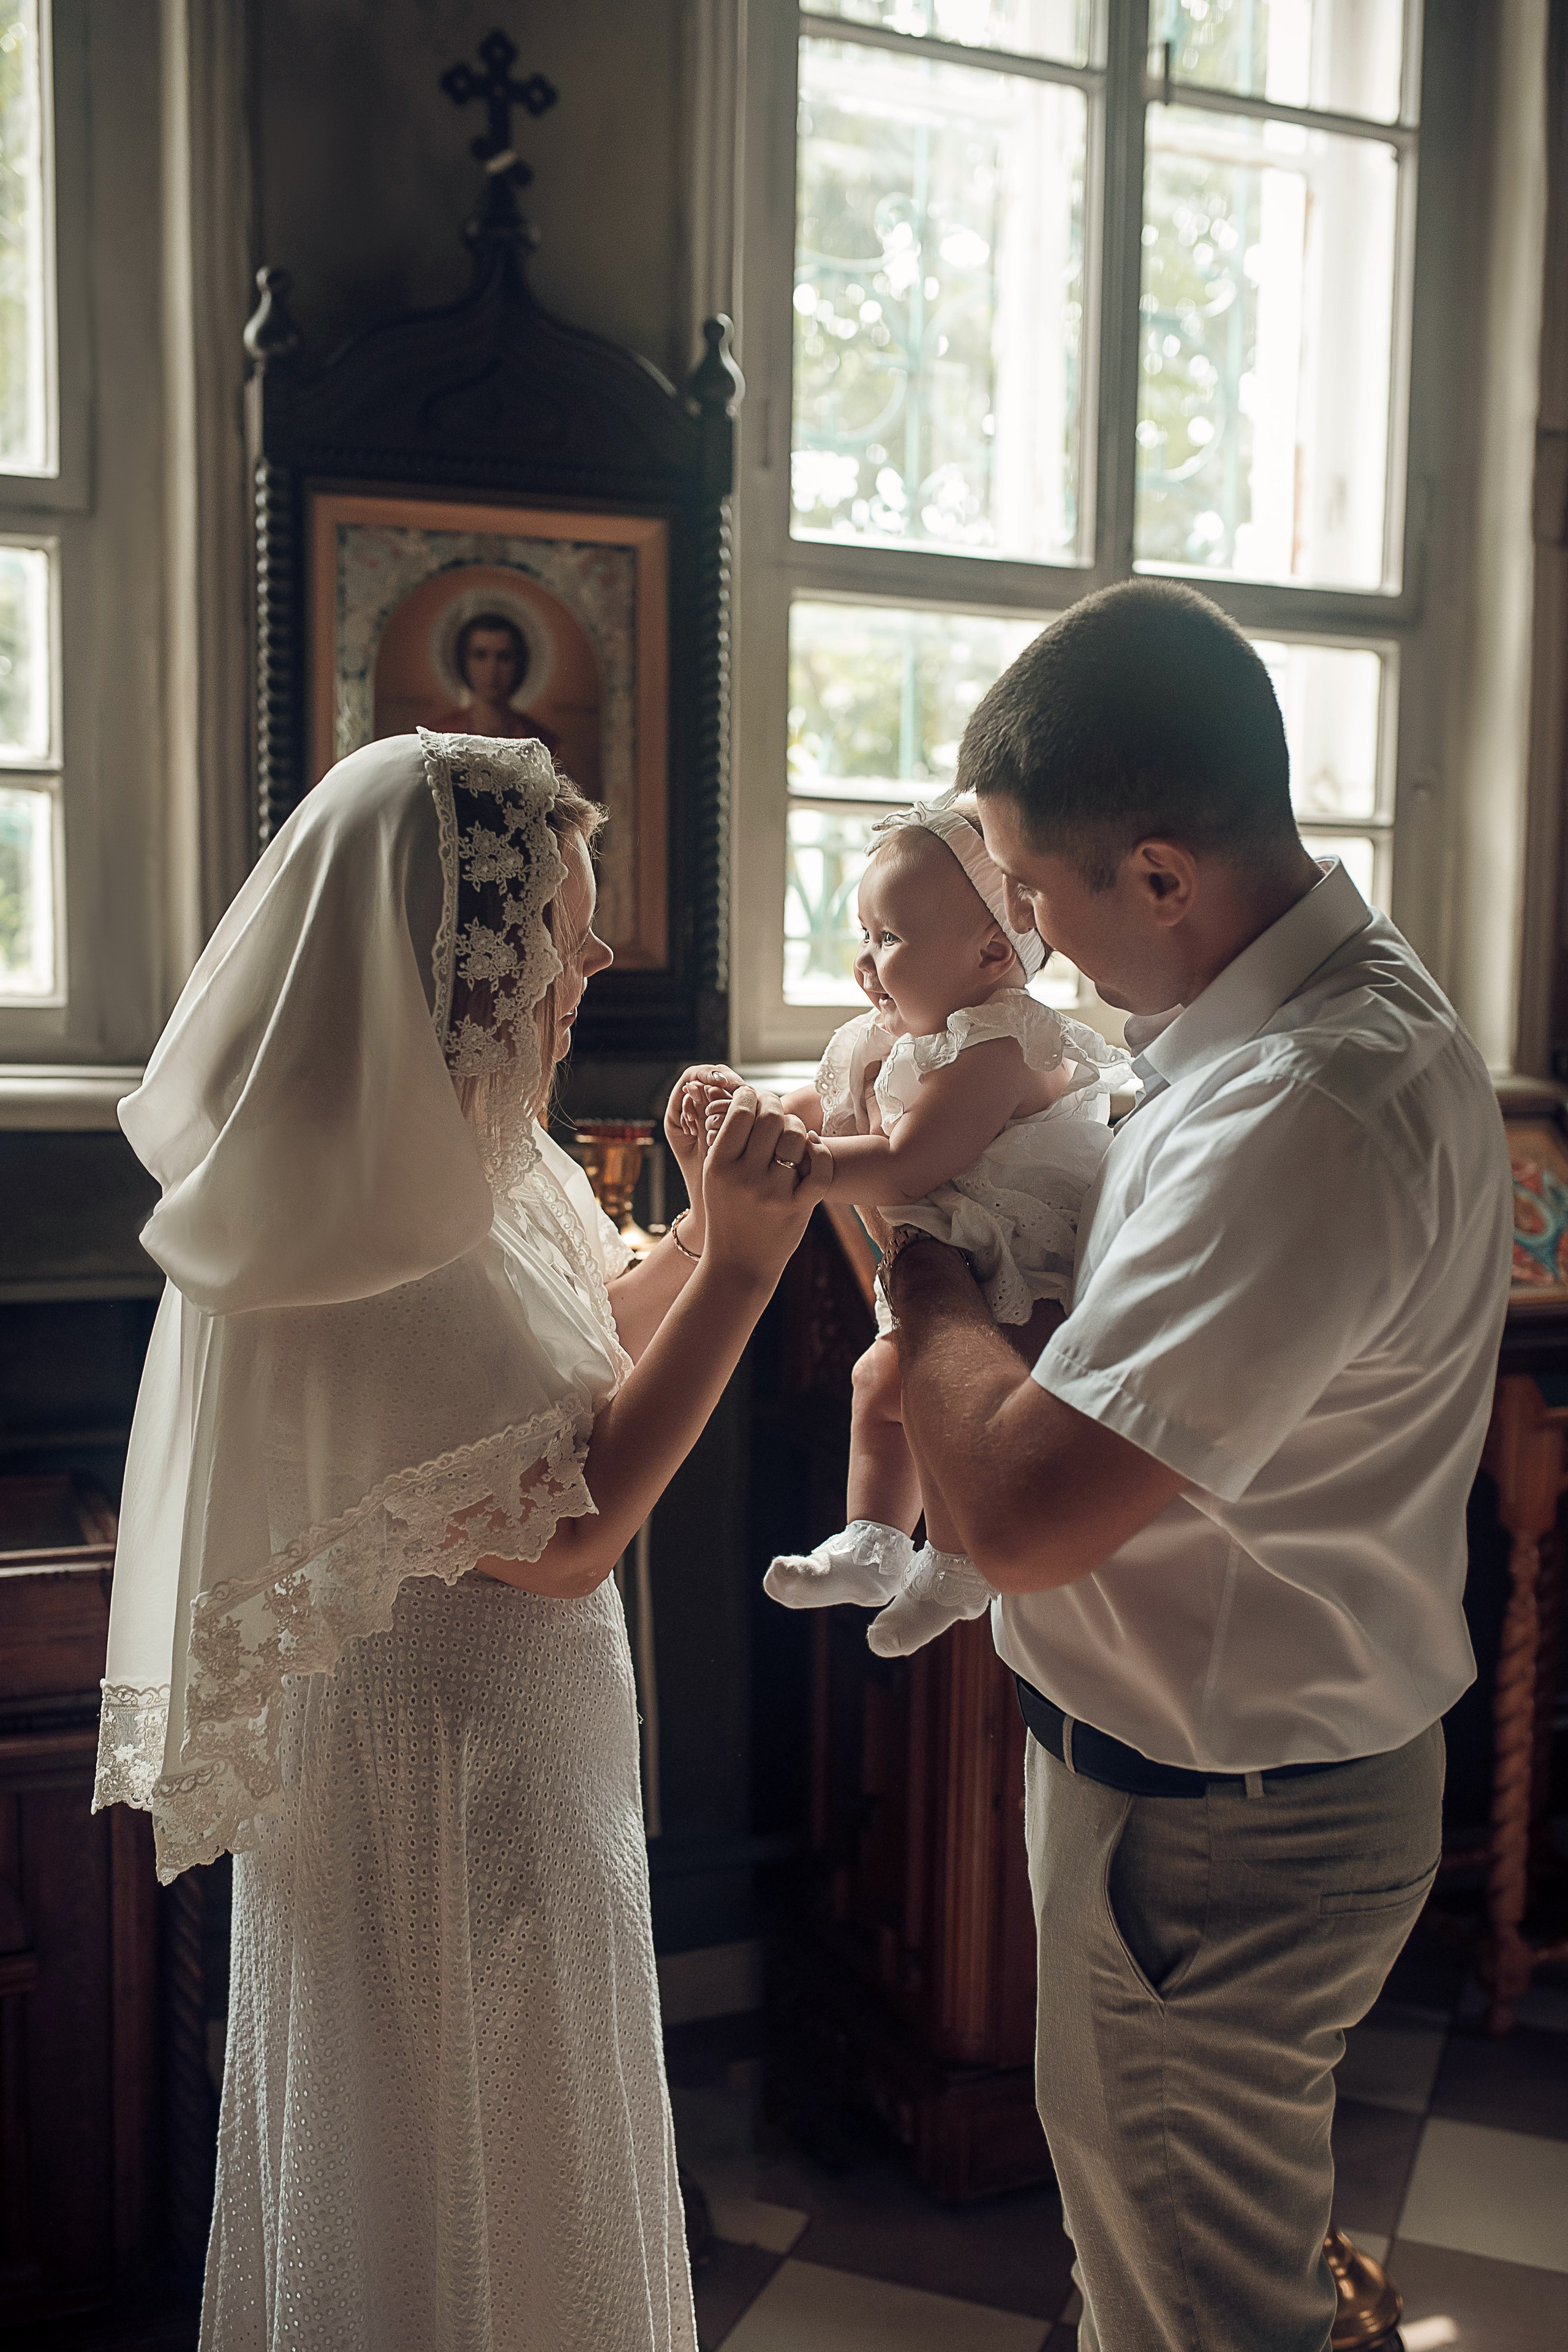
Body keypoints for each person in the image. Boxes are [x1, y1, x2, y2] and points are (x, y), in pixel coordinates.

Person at [92, 728, 826, 2352]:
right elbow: (565, 1532)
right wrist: (750, 1274)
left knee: (535, 2153)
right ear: (463, 952)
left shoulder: (473, 1154)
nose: (599, 954)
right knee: (469, 2173)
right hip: (443, 1786)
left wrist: (703, 1228)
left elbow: (563, 1367)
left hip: (513, 1751)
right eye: (569, 922)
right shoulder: (355, 1222)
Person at [875, 581, 1513, 2352]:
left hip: (1221, 1826)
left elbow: (1010, 1511)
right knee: (1150, 2276)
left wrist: (919, 1264)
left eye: (1036, 893)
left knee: (1198, 2320)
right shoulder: (1256, 1036)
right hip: (1207, 1782)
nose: (1027, 939)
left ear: (1160, 875)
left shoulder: (1306, 1103)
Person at [698, 801, 1124, 1657]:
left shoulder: (1002, 1048)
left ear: (993, 953)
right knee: (877, 1385)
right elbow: (830, 1102)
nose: (865, 962)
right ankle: (876, 1544)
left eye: (888, 938)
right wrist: (756, 1112)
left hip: (1026, 1279)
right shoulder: (906, 1038)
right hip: (958, 1260)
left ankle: (957, 1567)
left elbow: (908, 1159)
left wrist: (806, 1167)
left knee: (944, 1413)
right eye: (864, 933)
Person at [433, 609, 562, 748]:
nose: (492, 670)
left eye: (504, 657)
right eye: (480, 656)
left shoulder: (542, 742)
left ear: (518, 664)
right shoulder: (438, 737)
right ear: (464, 662)